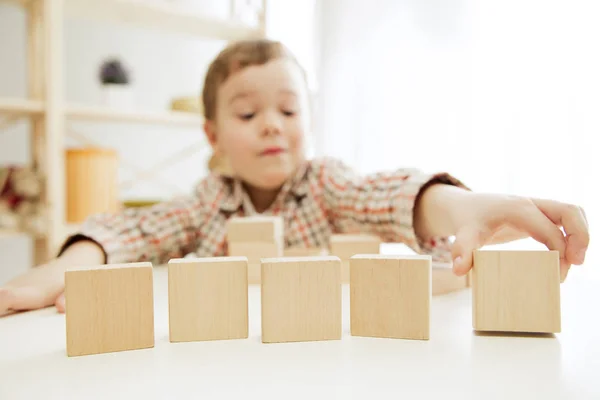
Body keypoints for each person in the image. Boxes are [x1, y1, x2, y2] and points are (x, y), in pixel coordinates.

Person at [0, 39, 589, 317]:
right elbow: (130, 230)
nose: (271, 128)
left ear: (309, 121)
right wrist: (63, 269)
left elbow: (391, 195)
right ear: (213, 136)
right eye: (248, 114)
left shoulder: (327, 184)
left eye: (288, 110)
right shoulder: (207, 203)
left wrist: (465, 206)